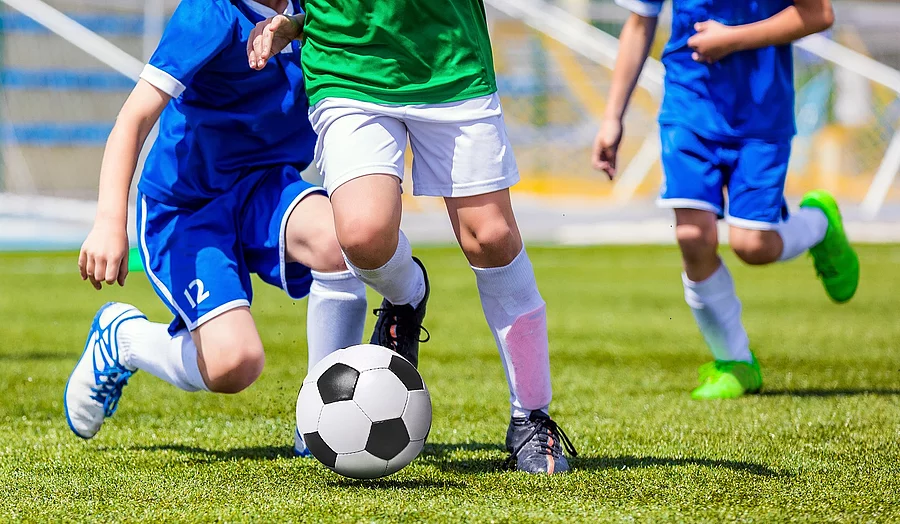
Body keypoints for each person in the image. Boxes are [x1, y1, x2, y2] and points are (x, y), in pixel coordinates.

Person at [247, 2, 577, 474]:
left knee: (489, 237)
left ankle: (531, 416)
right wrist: (298, 24)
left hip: (449, 58)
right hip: (350, 62)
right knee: (362, 234)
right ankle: (406, 294)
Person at [63, 0, 368, 455]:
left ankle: (321, 421)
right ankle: (124, 339)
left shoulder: (322, 7)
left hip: (265, 185)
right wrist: (110, 220)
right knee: (235, 364)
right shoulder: (208, 13)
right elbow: (134, 119)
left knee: (342, 241)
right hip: (190, 204)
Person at [593, 0, 858, 399]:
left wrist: (733, 40)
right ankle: (735, 361)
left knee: (752, 246)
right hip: (688, 107)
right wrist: (613, 116)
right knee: (692, 236)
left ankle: (818, 223)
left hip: (762, 116)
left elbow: (819, 14)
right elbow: (639, 23)